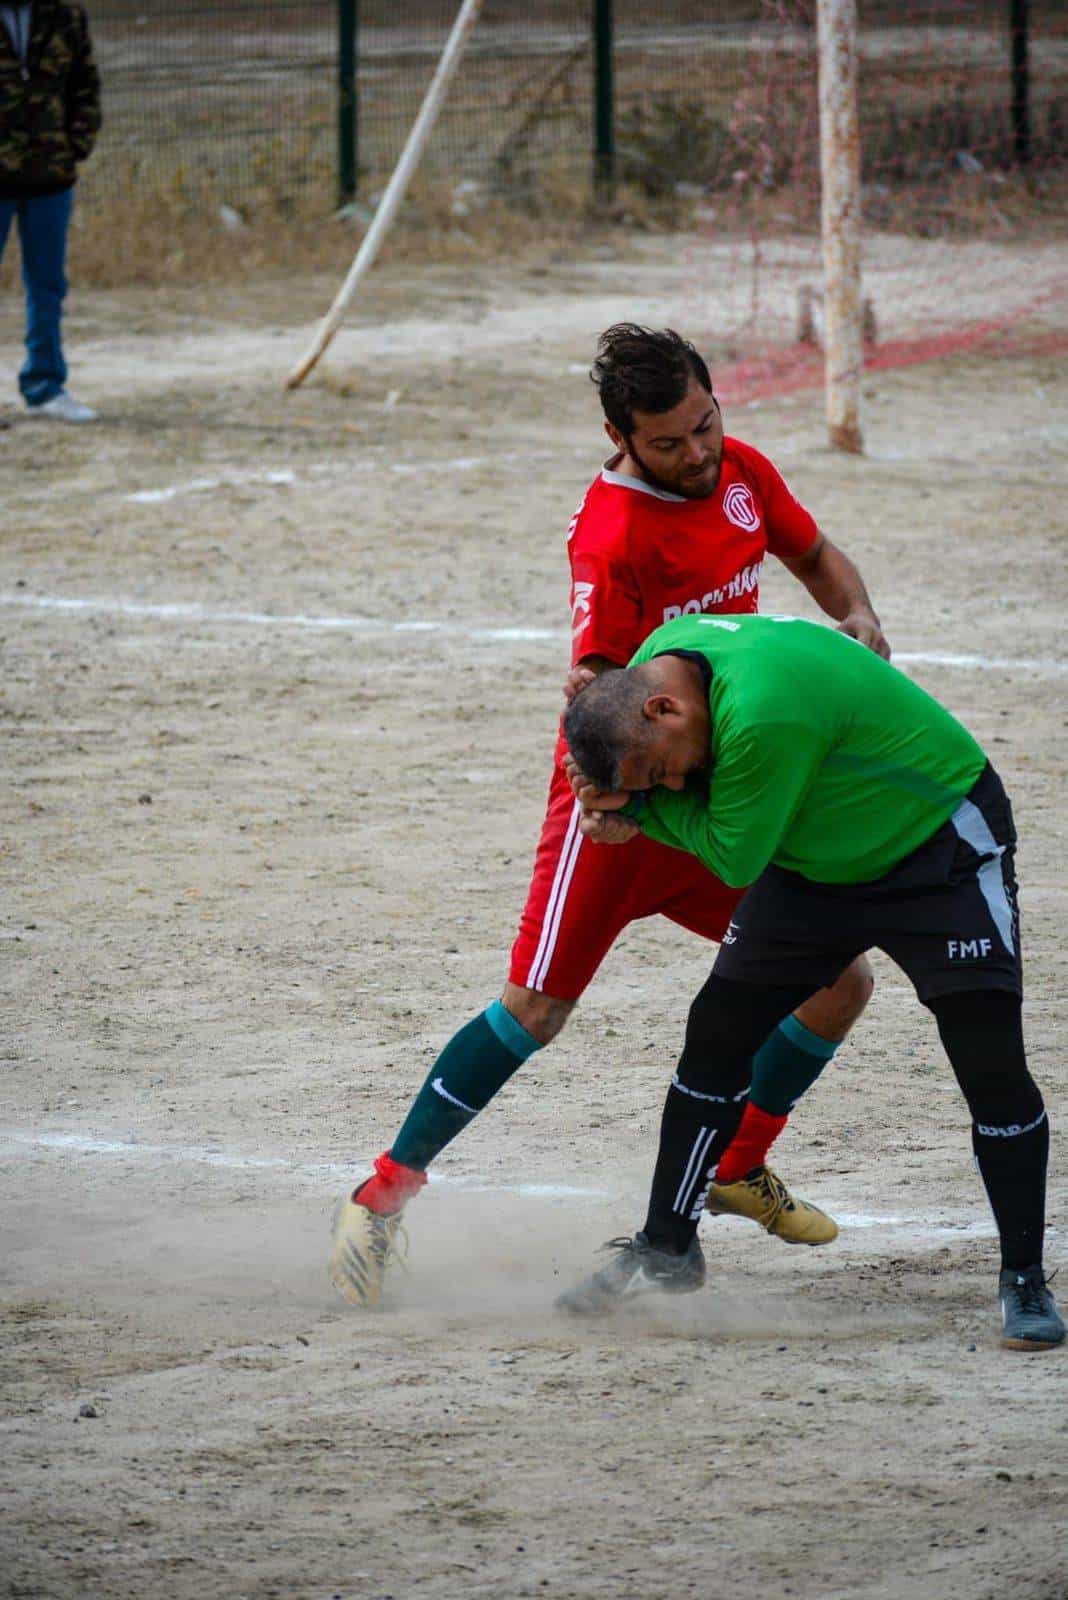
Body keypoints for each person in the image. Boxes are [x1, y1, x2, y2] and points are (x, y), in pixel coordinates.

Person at [329, 324, 890, 1309]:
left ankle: (734, 1164)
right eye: (669, 443)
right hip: (618, 810)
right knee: (537, 1010)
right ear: (619, 435)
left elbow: (815, 552)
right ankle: (380, 1195)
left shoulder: (741, 470)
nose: (698, 453)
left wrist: (863, 621)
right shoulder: (614, 531)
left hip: (712, 795)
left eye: (705, 427)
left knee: (838, 977)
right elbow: (589, 685)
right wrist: (608, 804)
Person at [555, 612, 1063, 1351]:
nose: (673, 782)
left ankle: (1024, 1277)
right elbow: (707, 809)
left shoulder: (762, 714)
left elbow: (732, 856)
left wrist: (636, 811)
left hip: (939, 849)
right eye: (656, 781)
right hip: (815, 857)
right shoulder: (652, 670)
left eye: (662, 770)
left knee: (990, 1062)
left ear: (661, 708)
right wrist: (613, 788)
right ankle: (665, 1247)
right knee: (717, 1032)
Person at [0, 0, 100, 421]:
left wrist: (75, 144)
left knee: (47, 283)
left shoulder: (65, 15)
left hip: (50, 175)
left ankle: (44, 386)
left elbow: (85, 84)